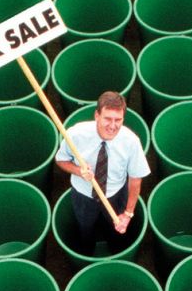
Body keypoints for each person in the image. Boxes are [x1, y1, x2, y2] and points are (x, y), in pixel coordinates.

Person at [55, 91, 150, 255]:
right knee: (85, 230)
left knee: (116, 233)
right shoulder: (75, 134)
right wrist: (78, 171)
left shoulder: (131, 141)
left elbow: (135, 179)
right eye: (107, 118)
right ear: (97, 115)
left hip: (115, 195)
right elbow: (61, 160)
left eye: (118, 120)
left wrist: (128, 214)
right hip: (83, 195)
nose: (113, 126)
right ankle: (86, 255)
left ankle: (116, 254)